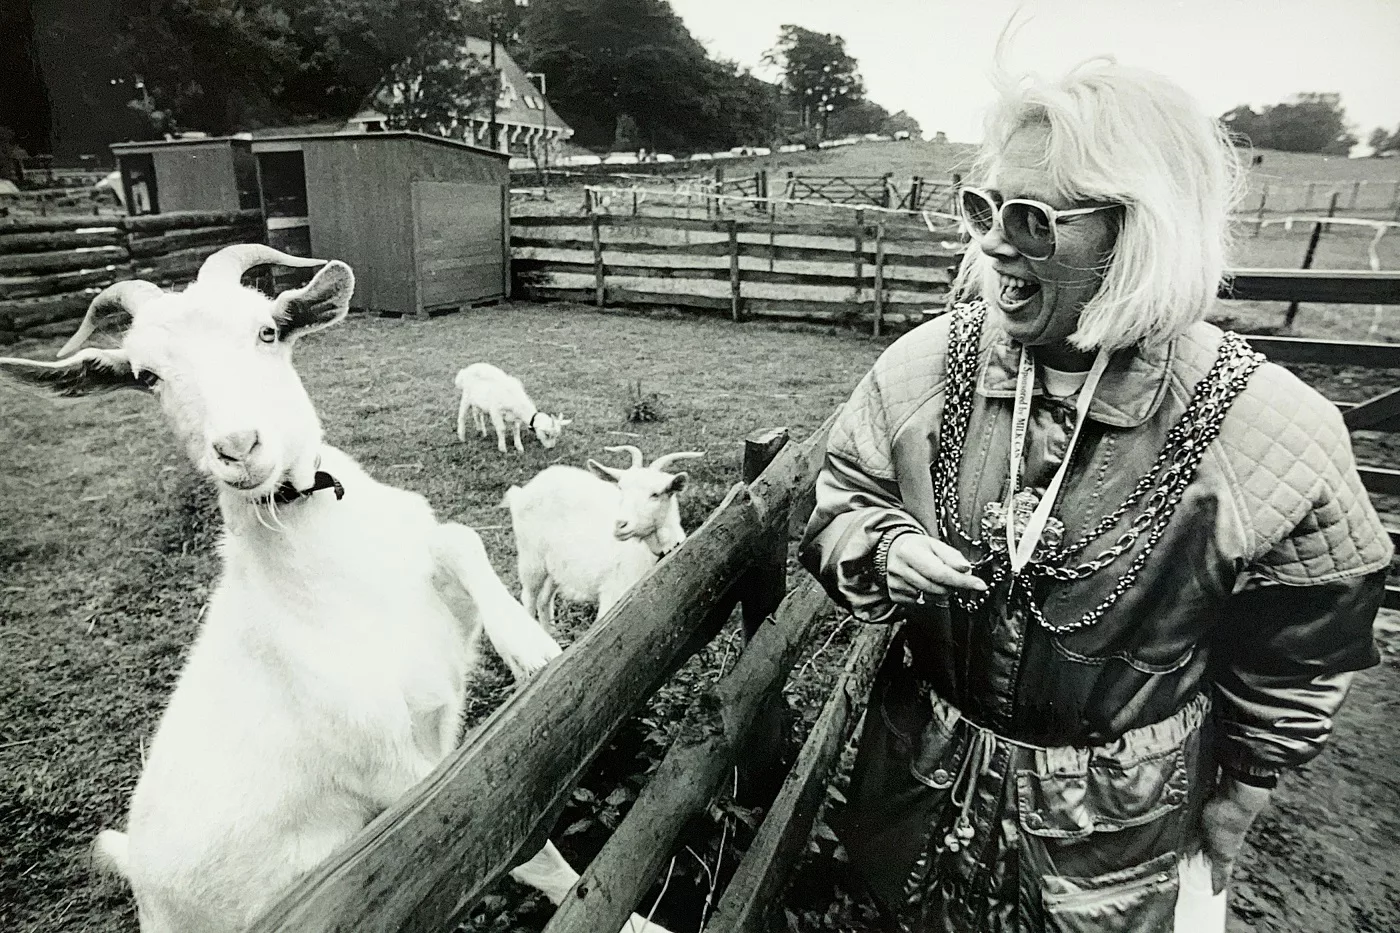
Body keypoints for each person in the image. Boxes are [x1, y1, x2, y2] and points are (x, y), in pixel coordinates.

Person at [799, 53, 1392, 933]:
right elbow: (841, 496)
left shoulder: (1272, 427)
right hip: (915, 775)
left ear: (1139, 230)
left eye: (1033, 220)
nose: (993, 243)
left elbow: (1299, 647)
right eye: (983, 208)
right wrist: (882, 544)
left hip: (1112, 829)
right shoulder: (921, 368)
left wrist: (1244, 793)